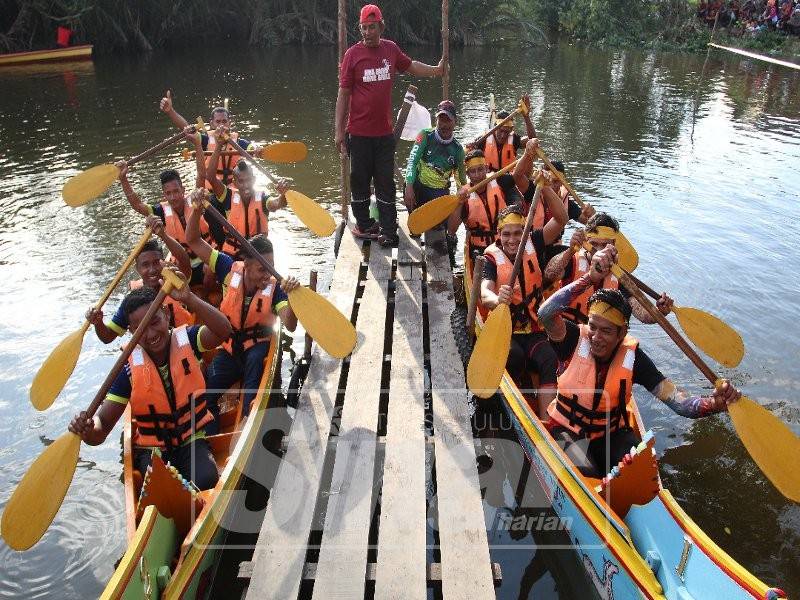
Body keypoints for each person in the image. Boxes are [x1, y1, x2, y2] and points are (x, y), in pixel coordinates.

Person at [537, 246, 741, 478]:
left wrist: (715, 404)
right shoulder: (573, 338)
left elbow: (680, 404)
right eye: (593, 326)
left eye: (606, 331)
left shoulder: (634, 359)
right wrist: (590, 278)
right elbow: (545, 314)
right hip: (566, 429)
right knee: (588, 472)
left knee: (641, 470)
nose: (596, 337)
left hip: (610, 434)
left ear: (622, 333)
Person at [69, 270, 234, 490]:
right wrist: (88, 428)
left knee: (206, 480)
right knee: (159, 489)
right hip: (153, 449)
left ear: (166, 315)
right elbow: (102, 427)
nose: (151, 334)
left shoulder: (188, 339)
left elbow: (224, 330)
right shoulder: (127, 368)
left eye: (155, 322)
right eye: (141, 329)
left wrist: (189, 298)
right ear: (131, 332)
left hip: (191, 439)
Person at [334, 3, 445, 246]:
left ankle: (388, 229)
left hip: (383, 134)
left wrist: (437, 70)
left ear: (381, 27)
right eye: (364, 28)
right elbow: (343, 95)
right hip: (358, 133)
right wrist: (338, 132)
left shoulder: (390, 50)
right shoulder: (352, 55)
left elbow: (412, 66)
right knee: (359, 181)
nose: (367, 32)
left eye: (372, 27)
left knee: (385, 181)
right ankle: (364, 224)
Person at [185, 191, 298, 425]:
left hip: (257, 348)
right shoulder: (228, 268)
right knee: (207, 395)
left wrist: (294, 298)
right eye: (262, 269)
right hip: (230, 347)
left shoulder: (276, 288)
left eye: (271, 267)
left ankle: (248, 417)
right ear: (246, 264)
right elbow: (193, 240)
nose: (267, 274)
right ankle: (208, 428)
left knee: (254, 367)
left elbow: (290, 324)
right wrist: (196, 211)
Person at [480, 198, 568, 418]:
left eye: (517, 233)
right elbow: (484, 292)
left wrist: (545, 187)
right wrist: (497, 299)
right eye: (506, 234)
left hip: (533, 328)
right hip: (505, 330)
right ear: (499, 234)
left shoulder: (534, 242)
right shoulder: (490, 258)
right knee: (514, 355)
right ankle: (518, 393)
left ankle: (546, 422)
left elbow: (561, 219)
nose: (512, 240)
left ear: (524, 232)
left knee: (550, 358)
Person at [118, 131, 214, 286]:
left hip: (204, 257)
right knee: (170, 274)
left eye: (176, 191)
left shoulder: (195, 199)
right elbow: (138, 206)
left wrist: (197, 144)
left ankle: (205, 291)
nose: (173, 197)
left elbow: (201, 175)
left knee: (210, 272)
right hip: (182, 263)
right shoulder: (161, 211)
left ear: (183, 190)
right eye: (168, 193)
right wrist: (123, 179)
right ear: (164, 195)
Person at [543, 213, 673, 324]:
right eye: (594, 244)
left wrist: (660, 312)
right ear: (586, 242)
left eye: (605, 245)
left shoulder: (620, 277)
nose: (599, 251)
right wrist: (570, 250)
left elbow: (643, 315)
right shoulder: (572, 260)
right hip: (568, 329)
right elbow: (549, 274)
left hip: (601, 338)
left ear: (614, 244)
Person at [87, 216, 194, 343]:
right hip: (153, 347)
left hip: (182, 343)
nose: (152, 269)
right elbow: (107, 337)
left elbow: (184, 260)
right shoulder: (132, 300)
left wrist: (163, 235)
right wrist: (98, 323)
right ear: (137, 269)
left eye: (156, 262)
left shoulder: (174, 281)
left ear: (163, 262)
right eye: (145, 265)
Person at [206, 125, 290, 257]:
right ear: (234, 183)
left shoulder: (263, 199)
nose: (246, 185)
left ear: (254, 180)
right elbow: (211, 177)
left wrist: (283, 194)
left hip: (256, 256)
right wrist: (219, 146)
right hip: (233, 256)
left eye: (248, 180)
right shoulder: (227, 196)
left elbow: (278, 204)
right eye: (241, 181)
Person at [159, 91, 258, 188]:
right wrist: (170, 111)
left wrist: (257, 149)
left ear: (229, 123)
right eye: (218, 122)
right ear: (211, 124)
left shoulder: (239, 143)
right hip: (211, 190)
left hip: (232, 191)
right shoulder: (206, 140)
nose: (221, 125)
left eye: (224, 121)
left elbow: (252, 147)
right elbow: (186, 129)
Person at [448, 148, 520, 258]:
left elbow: (519, 176)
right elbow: (451, 230)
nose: (477, 175)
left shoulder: (500, 180)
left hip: (503, 244)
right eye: (473, 171)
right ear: (467, 174)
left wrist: (527, 155)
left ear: (486, 168)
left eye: (480, 169)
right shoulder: (464, 196)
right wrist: (459, 203)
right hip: (478, 249)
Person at [404, 100, 466, 212]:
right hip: (419, 186)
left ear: (455, 122)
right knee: (408, 185)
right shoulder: (425, 135)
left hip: (439, 192)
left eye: (448, 120)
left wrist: (461, 194)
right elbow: (412, 161)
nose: (444, 125)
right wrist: (409, 186)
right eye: (441, 120)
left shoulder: (458, 149)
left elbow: (460, 179)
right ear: (436, 121)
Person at [473, 95, 536, 171]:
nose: (503, 136)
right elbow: (470, 157)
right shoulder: (483, 139)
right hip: (489, 176)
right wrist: (470, 147)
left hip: (509, 177)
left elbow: (533, 140)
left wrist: (526, 117)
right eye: (501, 131)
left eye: (506, 132)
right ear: (494, 129)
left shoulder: (514, 139)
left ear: (511, 130)